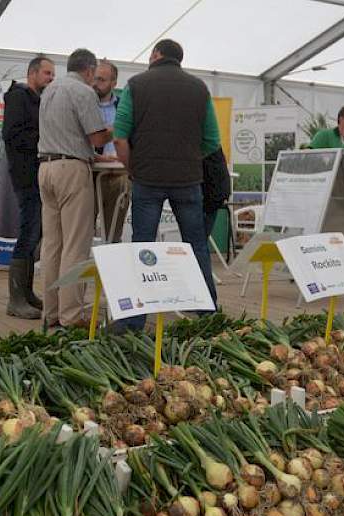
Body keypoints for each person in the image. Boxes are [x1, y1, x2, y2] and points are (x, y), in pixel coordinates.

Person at [112, 38, 220, 331]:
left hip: (147, 180)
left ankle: (134, 320)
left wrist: (133, 168)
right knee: (196, 246)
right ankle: (209, 314)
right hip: (188, 180)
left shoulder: (136, 84)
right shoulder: (199, 88)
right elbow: (212, 140)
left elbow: (119, 137)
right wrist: (186, 158)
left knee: (142, 247)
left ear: (156, 54)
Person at [38, 48, 112, 328]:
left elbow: (66, 134)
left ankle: (52, 313)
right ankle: (72, 316)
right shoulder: (83, 92)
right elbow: (96, 137)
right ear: (90, 70)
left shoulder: (49, 89)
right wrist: (117, 129)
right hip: (71, 171)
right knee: (75, 245)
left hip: (45, 167)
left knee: (52, 245)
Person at [2, 55, 55, 319]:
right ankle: (16, 299)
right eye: (47, 73)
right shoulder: (18, 97)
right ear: (32, 73)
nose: (51, 78)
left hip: (38, 175)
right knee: (29, 231)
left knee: (35, 233)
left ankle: (27, 292)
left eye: (52, 74)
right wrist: (45, 140)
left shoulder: (37, 100)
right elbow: (12, 134)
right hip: (26, 175)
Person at [93, 60, 130, 242]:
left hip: (118, 173)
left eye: (102, 80)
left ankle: (111, 261)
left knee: (113, 232)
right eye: (94, 78)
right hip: (90, 173)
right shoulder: (86, 104)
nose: (96, 84)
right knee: (83, 230)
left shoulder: (123, 107)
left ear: (114, 83)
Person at [309, 105, 344, 174]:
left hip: (343, 182)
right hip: (321, 180)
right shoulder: (323, 135)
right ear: (341, 119)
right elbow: (309, 158)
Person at [202, 147, 231, 238]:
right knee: (200, 240)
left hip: (210, 195)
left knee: (198, 241)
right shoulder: (213, 143)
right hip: (215, 193)